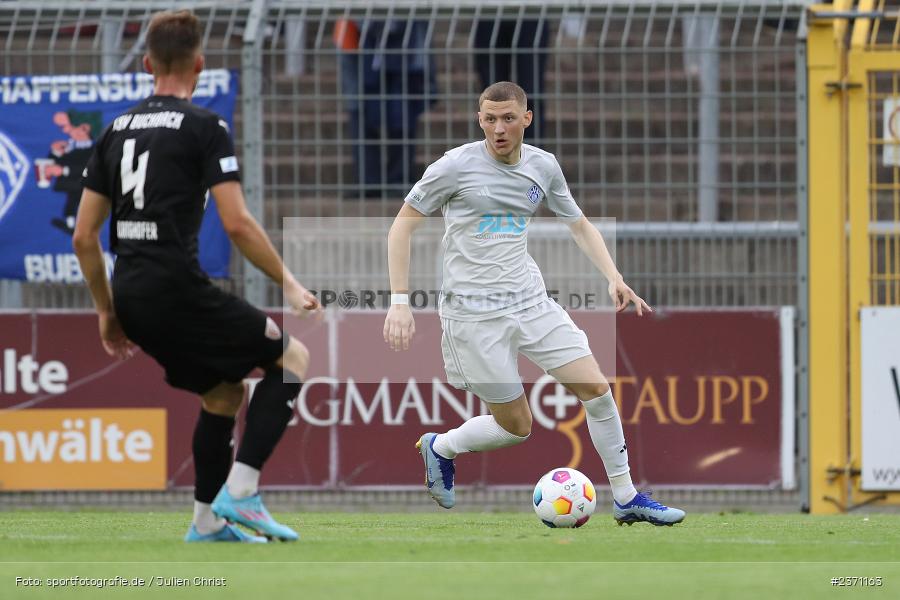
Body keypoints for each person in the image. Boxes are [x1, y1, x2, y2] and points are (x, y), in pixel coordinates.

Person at [383, 81, 685, 526]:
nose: (498, 129)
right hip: (474, 316)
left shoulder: (543, 166)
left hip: (530, 301)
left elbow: (578, 224)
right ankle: (441, 447)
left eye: (508, 118)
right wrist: (399, 302)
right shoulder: (454, 167)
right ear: (479, 119)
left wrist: (614, 277)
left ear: (527, 117)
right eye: (489, 119)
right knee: (516, 427)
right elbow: (401, 227)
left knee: (597, 390)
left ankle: (626, 497)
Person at [73, 10, 320, 543]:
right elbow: (237, 223)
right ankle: (243, 491)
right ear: (200, 64)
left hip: (132, 295)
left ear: (146, 64)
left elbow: (83, 236)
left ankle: (206, 523)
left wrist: (107, 310)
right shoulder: (206, 127)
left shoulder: (114, 131)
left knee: (224, 394)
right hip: (176, 289)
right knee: (292, 358)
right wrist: (290, 283)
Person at [473, 19, 549, 143]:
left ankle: (531, 150)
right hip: (489, 16)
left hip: (531, 16)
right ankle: (495, 148)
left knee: (530, 92)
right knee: (492, 98)